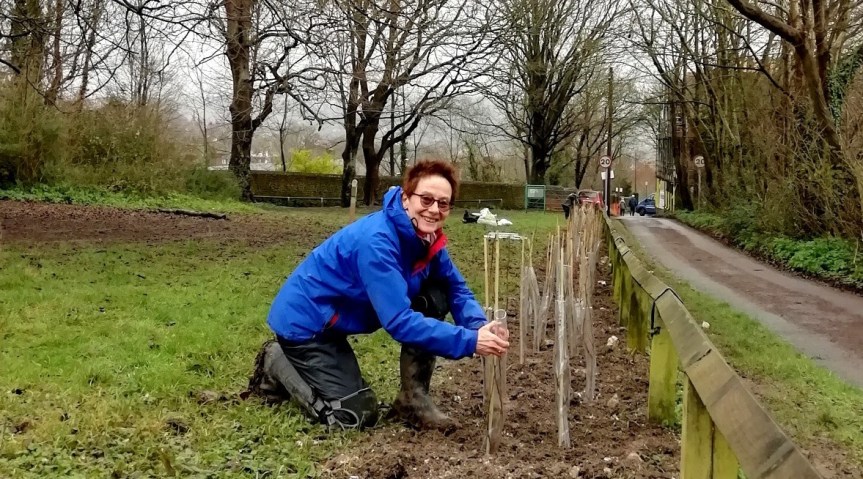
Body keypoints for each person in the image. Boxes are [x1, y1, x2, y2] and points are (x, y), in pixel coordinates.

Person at [245, 160, 510, 432]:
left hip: (336, 318)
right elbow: (399, 322)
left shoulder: (426, 238)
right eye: (427, 199)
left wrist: (477, 325)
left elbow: (455, 286)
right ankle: (276, 360)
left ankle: (413, 400)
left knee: (437, 293)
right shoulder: (378, 243)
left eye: (443, 203)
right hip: (307, 324)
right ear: (406, 199)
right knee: (354, 415)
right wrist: (470, 341)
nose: (434, 209)